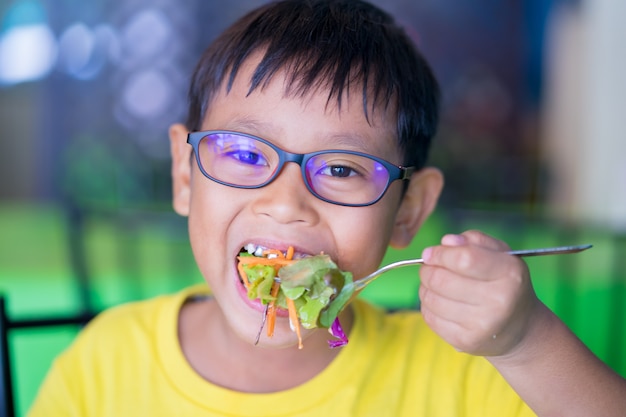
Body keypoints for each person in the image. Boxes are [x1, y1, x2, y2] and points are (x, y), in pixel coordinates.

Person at [28, 0, 626, 416]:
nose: (286, 204)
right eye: (243, 152)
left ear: (409, 211)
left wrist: (527, 342)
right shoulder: (104, 363)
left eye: (340, 169)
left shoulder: (466, 371)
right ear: (185, 175)